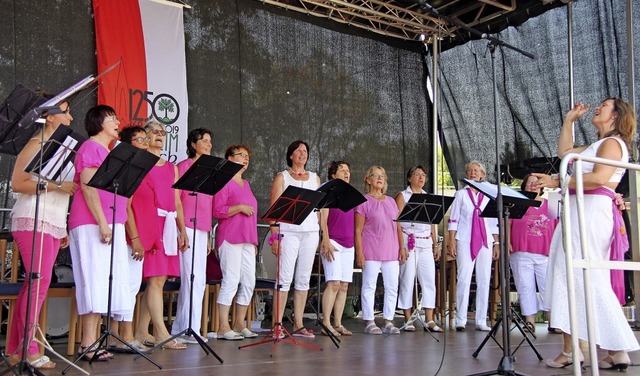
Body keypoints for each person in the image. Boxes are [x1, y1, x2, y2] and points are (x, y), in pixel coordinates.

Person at [534, 98, 639, 370]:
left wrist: (558, 181)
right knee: (572, 276)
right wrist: (569, 121)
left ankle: (605, 347)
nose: (597, 108)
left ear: (616, 115)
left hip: (590, 213)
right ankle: (609, 351)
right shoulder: (598, 144)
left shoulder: (612, 144)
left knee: (584, 277)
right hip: (579, 211)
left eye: (604, 105)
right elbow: (564, 153)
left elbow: (600, 178)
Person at [7, 99, 77, 369]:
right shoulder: (36, 144)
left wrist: (62, 226)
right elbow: (18, 183)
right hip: (31, 218)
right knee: (37, 283)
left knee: (37, 284)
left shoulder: (63, 148)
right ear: (49, 117)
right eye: (66, 112)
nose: (70, 117)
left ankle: (18, 349)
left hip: (52, 220)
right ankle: (29, 348)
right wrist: (58, 186)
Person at [67, 105, 130, 361]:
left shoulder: (109, 151)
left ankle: (92, 340)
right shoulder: (91, 147)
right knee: (92, 279)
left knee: (103, 281)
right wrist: (103, 223)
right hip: (92, 221)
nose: (117, 122)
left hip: (111, 220)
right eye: (111, 118)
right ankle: (87, 342)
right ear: (98, 122)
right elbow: (89, 188)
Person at [133, 121, 189, 350]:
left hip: (168, 224)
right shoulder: (140, 163)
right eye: (155, 132)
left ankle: (141, 330)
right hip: (150, 222)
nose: (159, 136)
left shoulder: (171, 168)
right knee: (155, 278)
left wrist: (182, 229)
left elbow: (177, 200)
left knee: (160, 279)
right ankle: (162, 333)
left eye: (162, 133)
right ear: (145, 137)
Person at [268, 140, 320, 338]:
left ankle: (298, 324)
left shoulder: (315, 178)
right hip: (288, 232)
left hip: (310, 232)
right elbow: (274, 209)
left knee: (304, 278)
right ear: (290, 155)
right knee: (284, 278)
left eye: (305, 150)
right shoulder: (282, 177)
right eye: (298, 150)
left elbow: (321, 210)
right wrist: (274, 237)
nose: (302, 153)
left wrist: (323, 235)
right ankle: (277, 325)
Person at [107, 126, 150, 353]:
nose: (144, 141)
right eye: (138, 138)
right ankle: (126, 335)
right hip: (127, 234)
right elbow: (127, 206)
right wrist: (134, 237)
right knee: (128, 285)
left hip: (136, 232)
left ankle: (114, 336)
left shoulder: (141, 167)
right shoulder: (129, 165)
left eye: (145, 138)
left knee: (130, 285)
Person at [171, 128, 214, 343]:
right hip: (186, 227)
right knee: (189, 277)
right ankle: (186, 327)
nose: (208, 144)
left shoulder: (210, 171)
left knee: (199, 279)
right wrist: (181, 230)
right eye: (204, 141)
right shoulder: (183, 167)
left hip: (202, 229)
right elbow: (176, 201)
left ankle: (189, 326)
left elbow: (208, 205)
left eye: (210, 141)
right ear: (193, 144)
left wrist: (207, 236)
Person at [447, 160, 499, 332]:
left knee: (484, 279)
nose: (473, 173)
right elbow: (453, 219)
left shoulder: (489, 193)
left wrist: (496, 242)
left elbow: (493, 222)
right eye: (469, 170)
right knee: (463, 278)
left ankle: (481, 320)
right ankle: (460, 319)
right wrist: (451, 241)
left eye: (476, 170)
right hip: (464, 239)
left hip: (485, 240)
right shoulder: (461, 194)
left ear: (483, 174)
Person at [355, 166, 407, 335]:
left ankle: (388, 320)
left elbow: (398, 227)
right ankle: (369, 321)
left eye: (382, 176)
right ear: (368, 179)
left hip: (391, 250)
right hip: (371, 249)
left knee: (392, 286)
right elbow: (358, 230)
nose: (380, 178)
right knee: (369, 286)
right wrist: (359, 253)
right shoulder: (363, 201)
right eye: (376, 175)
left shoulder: (391, 201)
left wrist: (402, 247)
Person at [214, 144, 259, 340]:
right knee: (231, 280)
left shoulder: (247, 184)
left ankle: (239, 323)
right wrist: (239, 207)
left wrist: (255, 242)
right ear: (229, 158)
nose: (245, 158)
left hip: (248, 239)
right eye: (241, 155)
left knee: (249, 281)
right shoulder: (223, 182)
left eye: (247, 156)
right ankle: (223, 326)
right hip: (230, 237)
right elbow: (217, 210)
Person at [507, 174, 558, 334]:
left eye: (536, 183)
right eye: (529, 183)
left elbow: (558, 228)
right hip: (521, 251)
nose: (532, 186)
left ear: (542, 186)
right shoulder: (517, 203)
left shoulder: (552, 204)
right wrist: (506, 242)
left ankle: (553, 321)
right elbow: (507, 223)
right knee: (525, 287)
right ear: (523, 187)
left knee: (548, 287)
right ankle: (530, 321)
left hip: (545, 253)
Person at [395, 165, 441, 332]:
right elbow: (397, 223)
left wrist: (436, 244)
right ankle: (407, 318)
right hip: (409, 240)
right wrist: (401, 246)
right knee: (407, 280)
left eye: (423, 175)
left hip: (426, 243)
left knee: (429, 281)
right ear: (409, 178)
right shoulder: (403, 195)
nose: (421, 178)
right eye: (417, 174)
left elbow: (432, 223)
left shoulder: (428, 197)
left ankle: (429, 318)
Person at [319, 161, 355, 337]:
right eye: (342, 170)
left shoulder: (351, 194)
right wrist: (325, 240)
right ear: (333, 175)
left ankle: (338, 323)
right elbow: (323, 218)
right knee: (333, 283)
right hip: (333, 241)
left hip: (349, 244)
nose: (346, 173)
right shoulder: (329, 191)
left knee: (344, 286)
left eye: (348, 170)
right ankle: (326, 322)